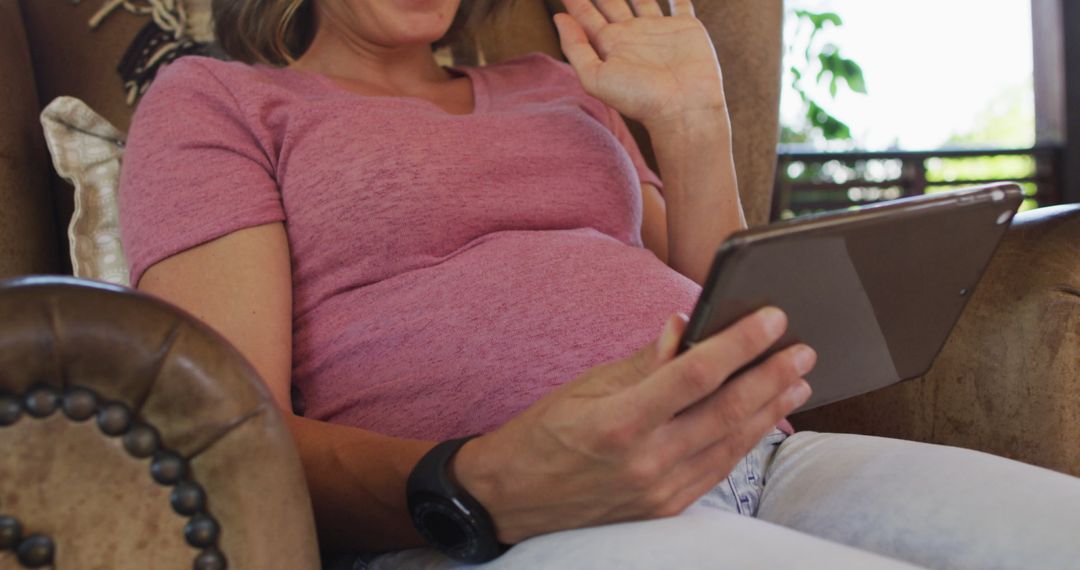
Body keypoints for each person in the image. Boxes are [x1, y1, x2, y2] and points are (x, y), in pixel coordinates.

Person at [118, 0, 1080, 567]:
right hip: (517, 521)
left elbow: (725, 301)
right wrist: (481, 482)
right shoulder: (219, 101)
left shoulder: (564, 83)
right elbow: (224, 435)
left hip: (762, 457)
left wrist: (697, 123)